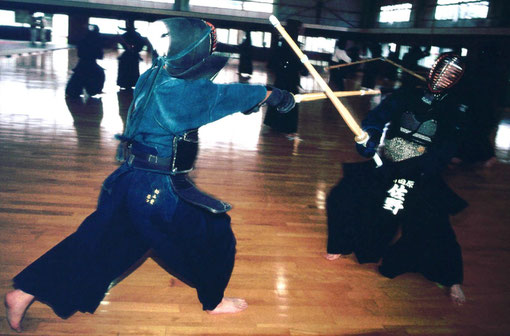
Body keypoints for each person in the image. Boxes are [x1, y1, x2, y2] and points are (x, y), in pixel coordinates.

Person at [5, 17, 296, 332]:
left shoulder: (154, 75)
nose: (214, 46)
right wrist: (276, 96)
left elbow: (216, 99)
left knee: (99, 243)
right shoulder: (188, 94)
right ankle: (214, 301)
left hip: (127, 180)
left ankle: (23, 292)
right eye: (209, 42)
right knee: (216, 234)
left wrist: (247, 102)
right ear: (193, 50)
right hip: (158, 191)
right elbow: (231, 96)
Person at [324, 53, 468, 305]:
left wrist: (422, 168)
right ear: (431, 70)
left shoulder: (455, 108)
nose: (442, 77)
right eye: (440, 70)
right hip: (389, 162)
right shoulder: (406, 94)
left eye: (450, 75)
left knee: (434, 221)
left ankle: (451, 276)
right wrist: (368, 138)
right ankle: (341, 243)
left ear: (456, 81)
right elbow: (377, 119)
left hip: (422, 170)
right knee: (344, 194)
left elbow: (449, 145)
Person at [264, 19, 306, 137]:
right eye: (299, 29)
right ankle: (287, 128)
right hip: (289, 78)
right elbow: (294, 63)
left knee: (280, 98)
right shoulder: (291, 45)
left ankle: (274, 124)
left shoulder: (283, 43)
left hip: (283, 77)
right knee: (290, 100)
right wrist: (303, 68)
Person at [65, 24, 105, 98]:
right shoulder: (97, 42)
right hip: (92, 64)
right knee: (99, 75)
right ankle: (95, 90)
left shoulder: (83, 40)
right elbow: (100, 56)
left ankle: (76, 91)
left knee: (77, 79)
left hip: (82, 64)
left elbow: (79, 54)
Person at [117, 19, 151, 90]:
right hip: (127, 56)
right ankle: (124, 84)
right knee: (125, 70)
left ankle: (131, 83)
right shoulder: (125, 35)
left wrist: (135, 48)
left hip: (133, 55)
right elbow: (121, 42)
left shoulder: (137, 35)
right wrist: (127, 47)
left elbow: (142, 43)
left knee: (133, 70)